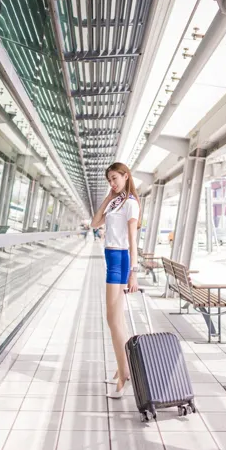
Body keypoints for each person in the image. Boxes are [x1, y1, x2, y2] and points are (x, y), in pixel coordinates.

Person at [90, 162, 141, 399]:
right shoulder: (115, 202)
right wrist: (108, 197)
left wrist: (134, 272)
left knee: (112, 320)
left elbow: (132, 239)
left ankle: (124, 375)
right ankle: (125, 367)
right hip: (111, 258)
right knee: (117, 319)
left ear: (125, 176)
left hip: (120, 259)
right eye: (109, 180)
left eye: (115, 178)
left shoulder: (130, 203)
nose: (112, 183)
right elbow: (94, 223)